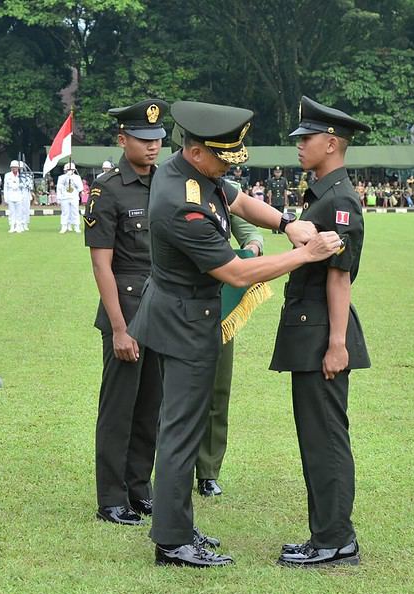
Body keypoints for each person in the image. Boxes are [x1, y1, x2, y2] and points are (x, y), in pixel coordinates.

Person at [127, 100, 342, 568]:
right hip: (185, 324)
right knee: (182, 430)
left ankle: (177, 524)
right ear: (198, 151)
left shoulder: (191, 173)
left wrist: (286, 222)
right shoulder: (182, 205)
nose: (228, 165)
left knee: (183, 425)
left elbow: (238, 199)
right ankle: (172, 541)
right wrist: (304, 254)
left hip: (179, 315)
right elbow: (237, 273)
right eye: (222, 157)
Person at [271, 96, 371, 569]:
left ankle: (336, 540)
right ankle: (325, 535)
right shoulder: (322, 193)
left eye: (306, 139)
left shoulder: (340, 199)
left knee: (326, 438)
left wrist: (336, 344)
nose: (299, 146)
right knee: (315, 437)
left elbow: (339, 274)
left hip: (322, 335)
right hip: (310, 331)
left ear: (331, 144)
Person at [83, 99, 169, 526]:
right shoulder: (108, 188)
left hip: (161, 311)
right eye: (143, 138)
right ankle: (111, 497)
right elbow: (102, 264)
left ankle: (140, 489)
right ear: (123, 140)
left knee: (151, 406)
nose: (153, 147)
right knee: (119, 407)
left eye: (157, 139)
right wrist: (119, 328)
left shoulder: (167, 182)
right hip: (126, 308)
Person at [196, 212, 263, 497]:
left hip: (218, 304)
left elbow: (250, 232)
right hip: (173, 299)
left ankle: (208, 472)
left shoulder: (223, 193)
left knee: (216, 390)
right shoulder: (167, 185)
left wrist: (254, 248)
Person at [57, 162, 83, 233]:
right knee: (65, 212)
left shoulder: (77, 177)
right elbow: (59, 187)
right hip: (64, 197)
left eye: (71, 169)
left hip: (74, 197)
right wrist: (67, 177)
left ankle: (76, 226)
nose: (69, 171)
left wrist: (73, 179)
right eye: (68, 169)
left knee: (75, 212)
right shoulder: (61, 177)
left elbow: (80, 188)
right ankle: (64, 226)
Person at [4, 160, 26, 233]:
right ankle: (12, 226)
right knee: (11, 212)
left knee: (19, 212)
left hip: (19, 195)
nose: (14, 169)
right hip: (10, 194)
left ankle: (18, 226)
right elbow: (5, 187)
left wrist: (23, 197)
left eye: (16, 167)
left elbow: (23, 187)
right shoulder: (7, 175)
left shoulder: (21, 175)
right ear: (11, 168)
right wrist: (5, 198)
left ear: (18, 168)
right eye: (13, 167)